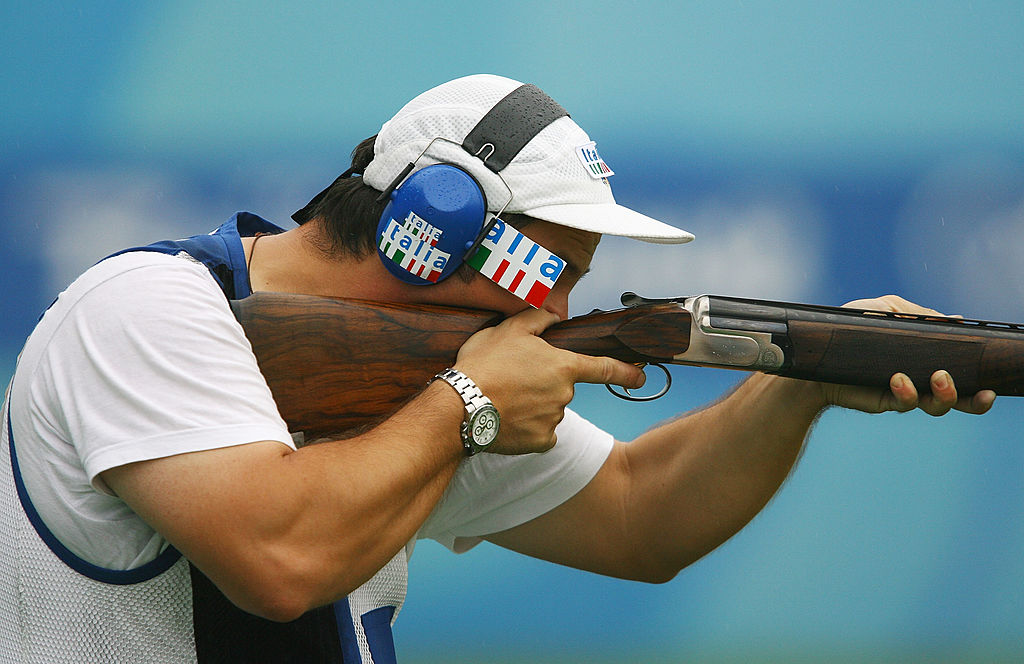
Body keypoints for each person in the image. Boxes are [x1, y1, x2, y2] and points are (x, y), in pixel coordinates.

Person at [0, 74, 994, 663]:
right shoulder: (142, 311)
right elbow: (279, 562)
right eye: (547, 269)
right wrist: (467, 403)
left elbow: (643, 513)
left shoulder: (428, 386)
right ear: (431, 225)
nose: (557, 309)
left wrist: (800, 382)